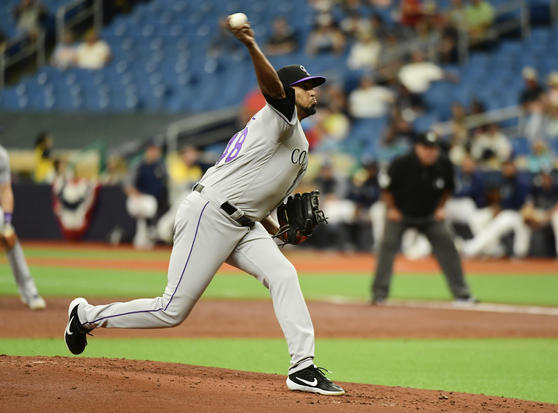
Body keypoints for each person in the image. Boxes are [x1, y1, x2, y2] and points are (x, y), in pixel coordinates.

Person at [64, 16, 345, 396]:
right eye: (306, 86)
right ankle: (85, 316)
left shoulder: (300, 147)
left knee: (284, 275)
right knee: (171, 311)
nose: (314, 91)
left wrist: (281, 229)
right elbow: (272, 89)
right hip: (209, 213)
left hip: (243, 224)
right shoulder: (280, 116)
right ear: (289, 92)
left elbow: (259, 197)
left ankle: (302, 368)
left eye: (314, 86)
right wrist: (249, 44)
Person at [370, 131, 476, 304]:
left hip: (429, 215)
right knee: (387, 245)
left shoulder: (444, 163)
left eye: (433, 148)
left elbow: (449, 189)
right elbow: (386, 188)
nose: (430, 152)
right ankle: (379, 294)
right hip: (401, 213)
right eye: (426, 148)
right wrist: (392, 209)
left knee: (448, 245)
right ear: (417, 148)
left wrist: (441, 208)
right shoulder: (401, 163)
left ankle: (462, 294)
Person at [0, 144, 46, 310]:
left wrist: (7, 221)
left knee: (9, 237)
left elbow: (5, 190)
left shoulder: (1, 156)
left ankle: (29, 291)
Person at [124, 140, 169, 249]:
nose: (154, 153)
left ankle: (147, 235)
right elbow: (128, 185)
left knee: (151, 208)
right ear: (147, 151)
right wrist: (137, 195)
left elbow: (167, 183)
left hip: (157, 201)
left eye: (156, 150)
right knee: (147, 206)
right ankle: (146, 233)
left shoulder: (161, 166)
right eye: (152, 150)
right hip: (140, 198)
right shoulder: (139, 165)